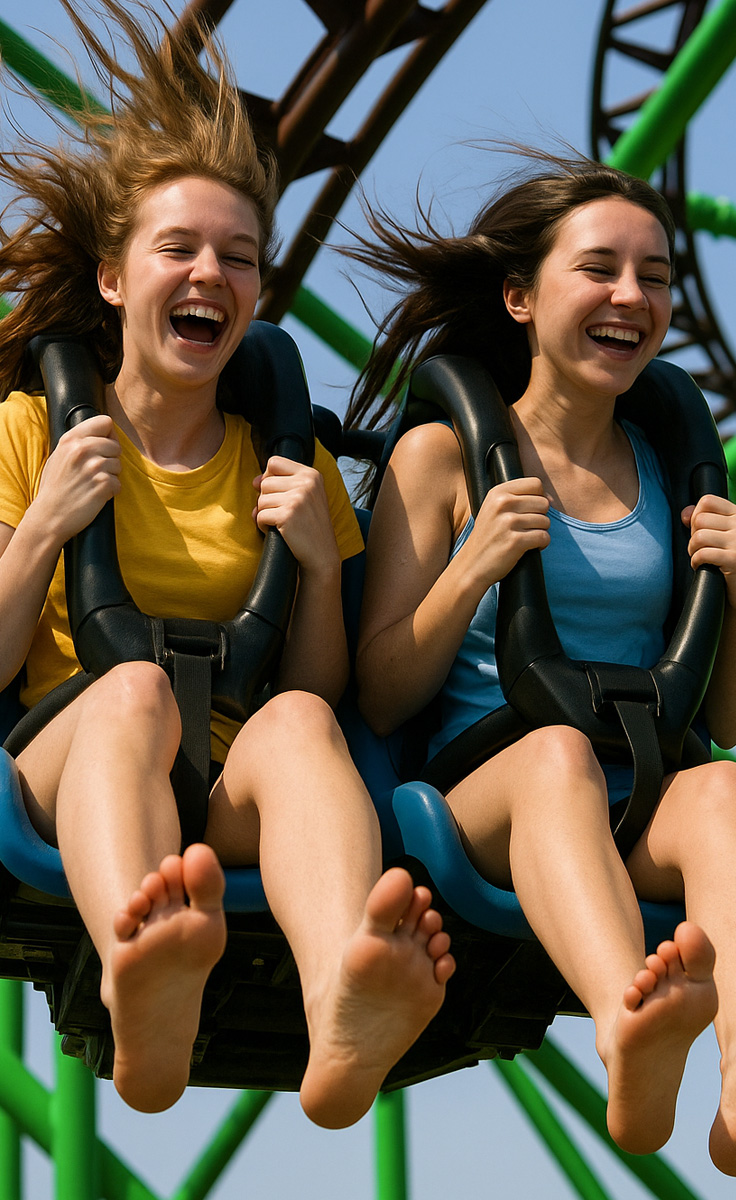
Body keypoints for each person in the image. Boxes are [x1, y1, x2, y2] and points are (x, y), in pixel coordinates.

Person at [0, 0, 454, 1125]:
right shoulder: (24, 431)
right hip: (72, 766)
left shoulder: (279, 461)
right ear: (114, 279)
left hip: (230, 778)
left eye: (240, 258)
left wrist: (308, 558)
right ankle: (136, 963)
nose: (212, 273)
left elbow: (320, 691)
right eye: (181, 249)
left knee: (297, 727)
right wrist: (42, 526)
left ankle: (342, 1000)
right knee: (134, 691)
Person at [349, 150, 736, 1175]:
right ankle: (623, 1024)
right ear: (518, 296)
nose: (629, 297)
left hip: (629, 796)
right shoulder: (440, 457)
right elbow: (376, 692)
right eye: (599, 269)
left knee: (728, 793)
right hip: (479, 801)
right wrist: (469, 570)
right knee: (554, 755)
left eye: (653, 276)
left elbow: (720, 718)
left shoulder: (660, 466)